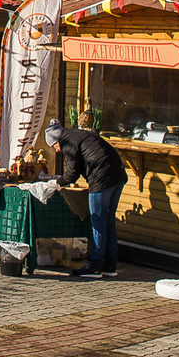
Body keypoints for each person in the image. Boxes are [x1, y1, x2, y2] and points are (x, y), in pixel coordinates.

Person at [47, 118, 128, 277]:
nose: (56, 150)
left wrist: (57, 183)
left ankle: (95, 264)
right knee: (108, 220)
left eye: (54, 146)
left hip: (101, 179)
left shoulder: (67, 142)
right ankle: (110, 265)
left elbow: (72, 174)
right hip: (118, 175)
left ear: (57, 140)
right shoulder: (78, 134)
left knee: (98, 221)